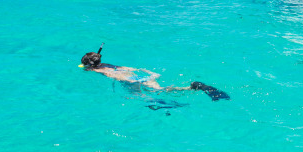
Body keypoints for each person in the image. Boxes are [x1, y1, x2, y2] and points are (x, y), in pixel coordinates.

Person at [80, 45, 229, 100]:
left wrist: (87, 68)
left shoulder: (97, 69)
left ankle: (163, 104)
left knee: (140, 97)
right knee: (159, 89)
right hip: (138, 74)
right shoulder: (107, 64)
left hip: (130, 80)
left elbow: (111, 74)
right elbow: (129, 69)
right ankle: (192, 87)